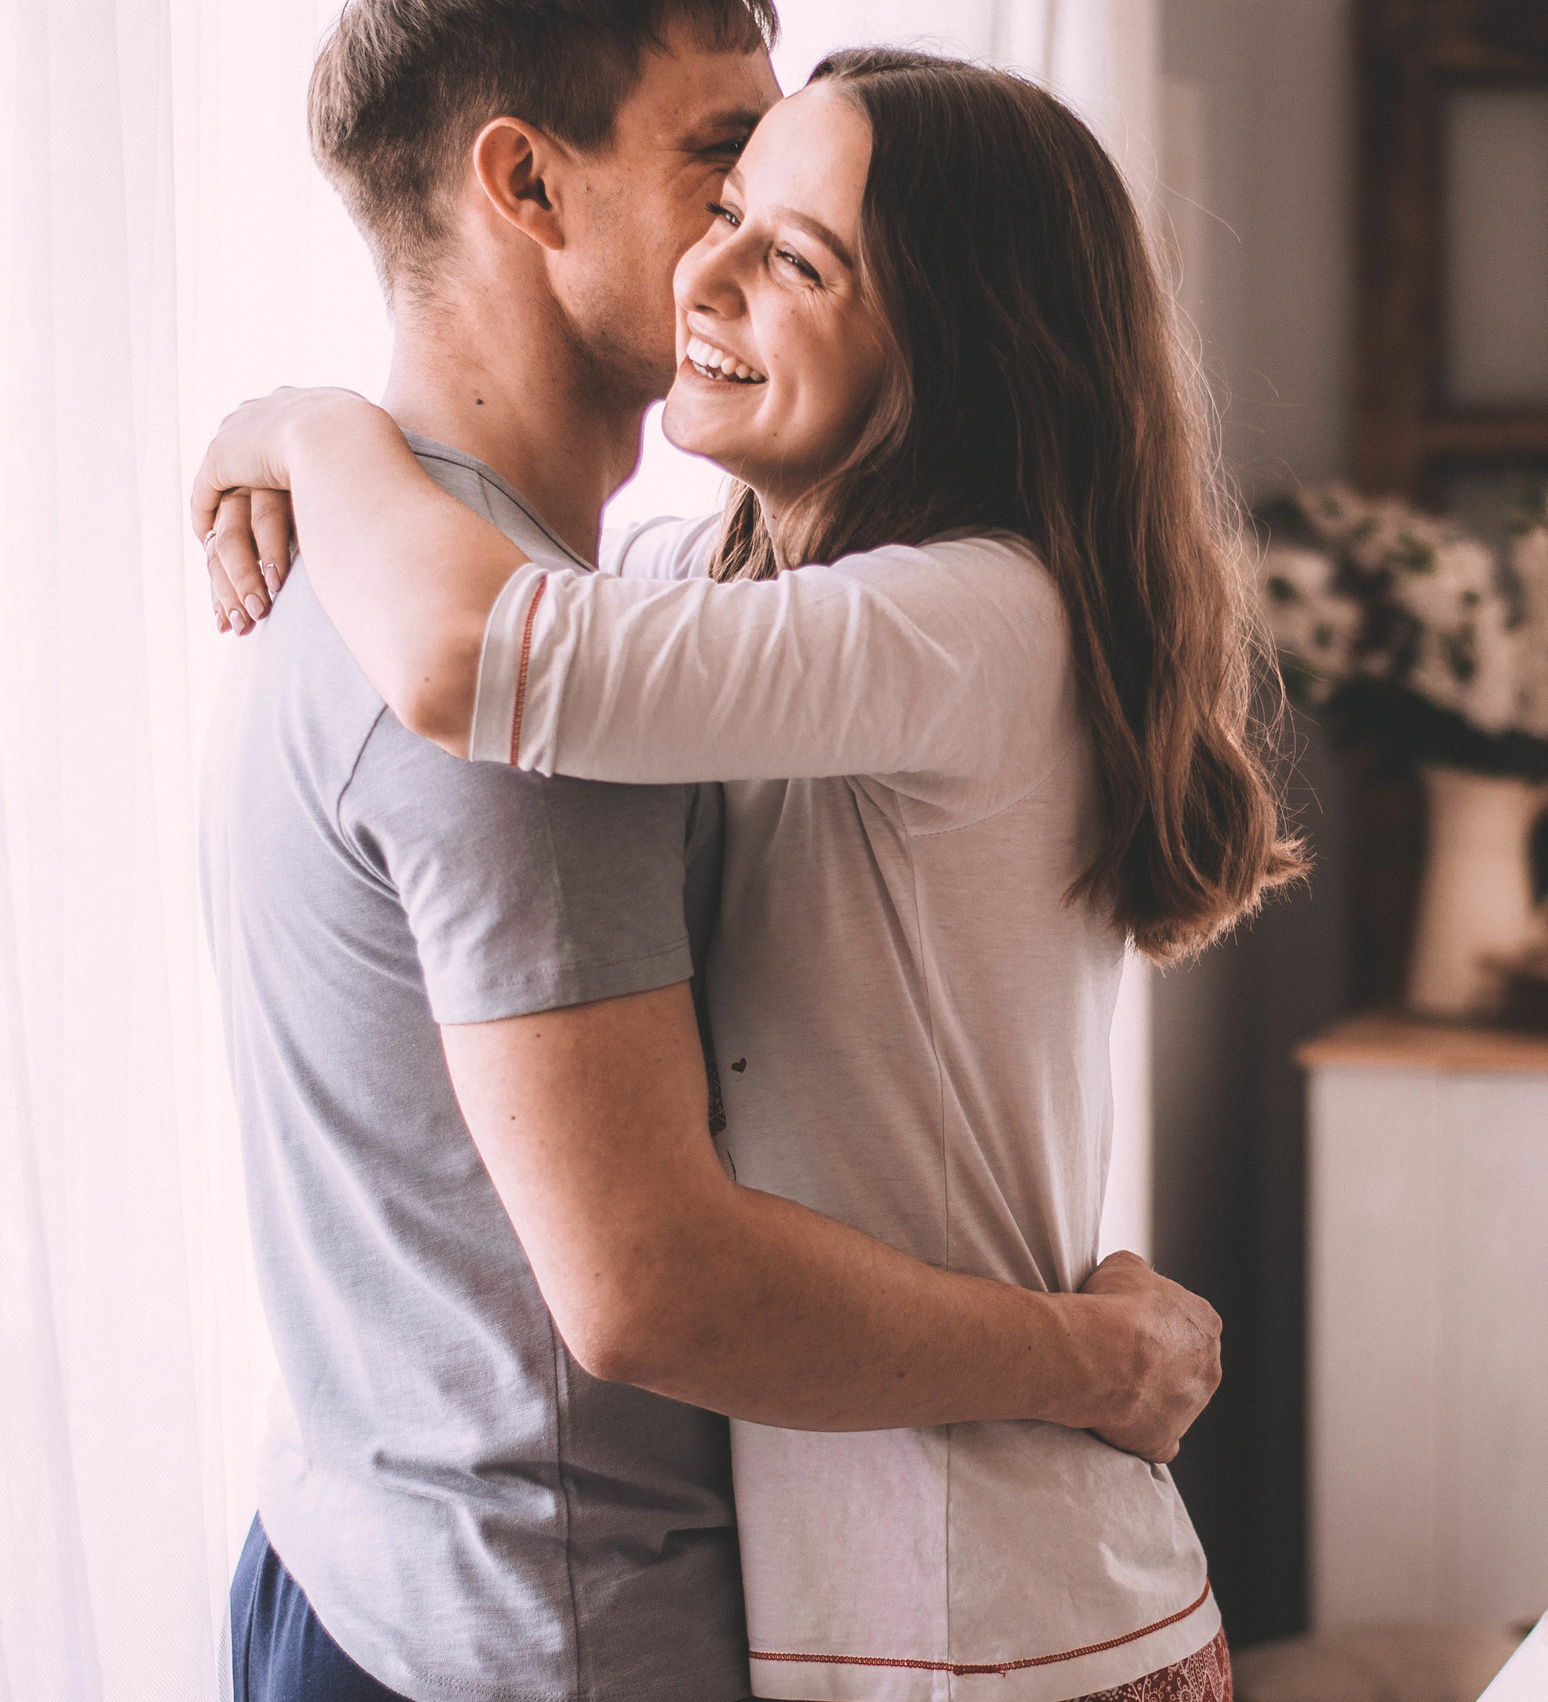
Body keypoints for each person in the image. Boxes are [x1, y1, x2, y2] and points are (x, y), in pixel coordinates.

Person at [194, 11, 1229, 1702]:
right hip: (600, 1618)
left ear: (949, 333)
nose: (711, 264)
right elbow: (649, 1280)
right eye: (719, 178)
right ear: (528, 186)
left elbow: (492, 652)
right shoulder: (649, 610)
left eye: (790, 246)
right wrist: (1083, 1354)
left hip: (990, 1620)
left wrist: (311, 429)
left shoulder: (947, 617)